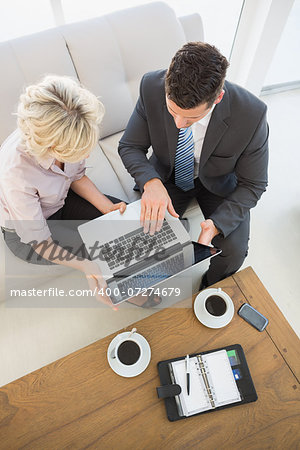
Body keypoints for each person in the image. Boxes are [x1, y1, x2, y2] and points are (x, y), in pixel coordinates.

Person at [118, 42, 269, 288]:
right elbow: (130, 146)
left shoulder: (252, 114)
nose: (178, 123)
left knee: (234, 251)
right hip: (166, 177)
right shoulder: (150, 86)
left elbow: (254, 184)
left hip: (219, 185)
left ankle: (208, 287)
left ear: (217, 98)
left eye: (191, 118)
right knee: (142, 243)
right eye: (172, 110)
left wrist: (216, 225)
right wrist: (151, 183)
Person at [0, 75, 127, 307]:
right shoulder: (15, 172)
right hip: (29, 237)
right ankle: (134, 293)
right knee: (100, 254)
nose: (87, 156)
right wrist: (85, 265)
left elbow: (76, 176)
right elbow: (39, 242)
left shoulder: (69, 129)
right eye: (78, 151)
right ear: (52, 147)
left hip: (61, 200)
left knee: (123, 223)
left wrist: (107, 208)